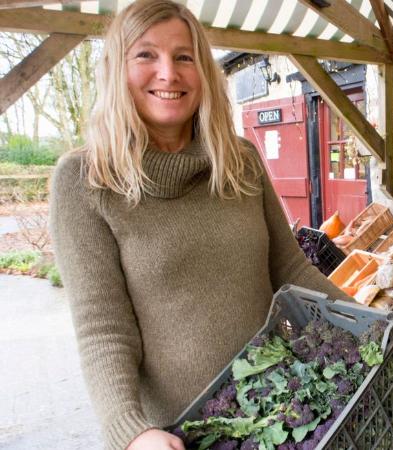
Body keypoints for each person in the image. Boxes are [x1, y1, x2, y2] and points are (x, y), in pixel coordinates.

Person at [48, 1, 349, 449]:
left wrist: (373, 322)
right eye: (146, 55)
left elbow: (292, 271)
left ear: (204, 71)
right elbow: (103, 331)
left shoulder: (240, 160)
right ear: (116, 71)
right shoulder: (84, 181)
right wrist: (131, 432)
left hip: (278, 413)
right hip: (180, 433)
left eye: (184, 56)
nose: (168, 73)